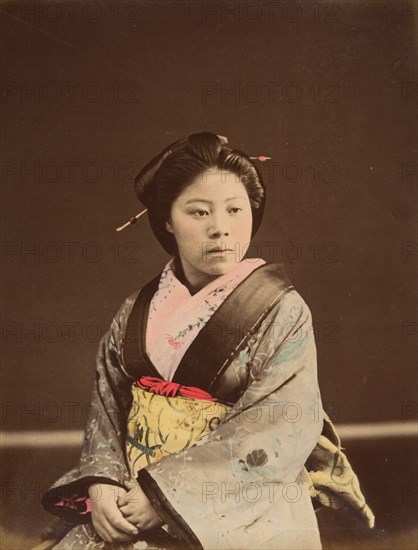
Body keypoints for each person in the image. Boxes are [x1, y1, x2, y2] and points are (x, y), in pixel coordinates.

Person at [39, 132, 374, 550]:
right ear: (166, 220)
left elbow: (279, 422)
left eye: (235, 210)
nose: (221, 229)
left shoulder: (282, 312)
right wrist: (102, 484)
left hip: (235, 508)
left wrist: (162, 495)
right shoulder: (135, 309)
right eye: (198, 212)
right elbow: (106, 410)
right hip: (130, 499)